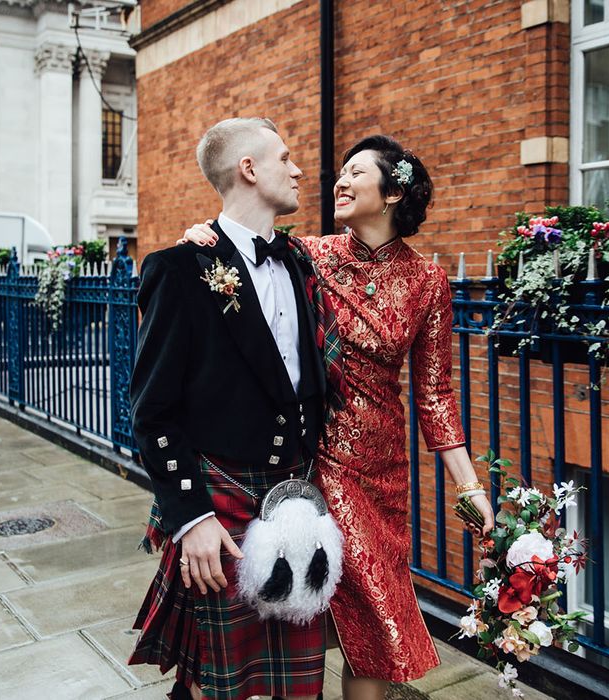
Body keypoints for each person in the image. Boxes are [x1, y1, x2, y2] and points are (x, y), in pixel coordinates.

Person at [181, 134, 496, 700]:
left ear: (393, 191)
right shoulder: (310, 254)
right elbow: (244, 252)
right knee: (318, 603)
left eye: (356, 173)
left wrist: (469, 484)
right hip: (314, 456)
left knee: (371, 626)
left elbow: (435, 393)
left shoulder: (428, 282)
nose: (340, 182)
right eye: (340, 173)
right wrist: (203, 237)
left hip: (384, 467)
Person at [128, 117, 333, 700]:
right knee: (219, 681)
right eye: (285, 157)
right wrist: (190, 517)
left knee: (297, 679)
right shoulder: (180, 269)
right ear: (249, 169)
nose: (298, 169)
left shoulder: (300, 260)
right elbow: (153, 409)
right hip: (218, 494)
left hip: (294, 497)